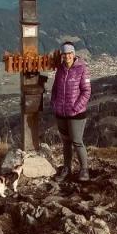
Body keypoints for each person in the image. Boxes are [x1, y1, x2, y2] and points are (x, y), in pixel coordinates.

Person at [50, 40, 91, 181]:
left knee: (77, 141)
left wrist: (75, 108)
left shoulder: (82, 68)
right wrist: (54, 104)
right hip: (60, 113)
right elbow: (55, 88)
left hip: (76, 114)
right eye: (64, 54)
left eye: (69, 53)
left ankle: (84, 170)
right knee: (66, 142)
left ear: (74, 54)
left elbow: (86, 92)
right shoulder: (60, 69)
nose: (67, 56)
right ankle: (66, 168)